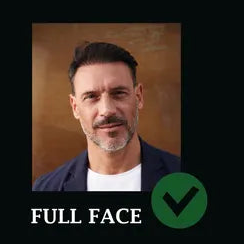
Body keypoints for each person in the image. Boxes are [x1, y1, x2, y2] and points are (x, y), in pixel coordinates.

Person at [32, 41, 180, 191]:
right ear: (75, 107)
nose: (107, 110)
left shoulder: (183, 179)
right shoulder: (46, 188)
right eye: (91, 96)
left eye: (118, 93)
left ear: (139, 97)